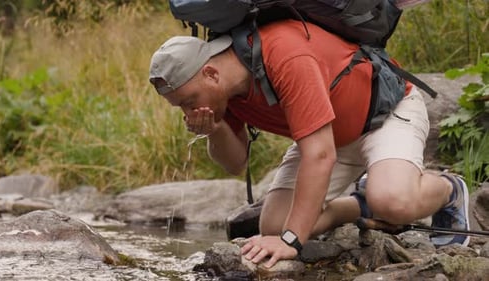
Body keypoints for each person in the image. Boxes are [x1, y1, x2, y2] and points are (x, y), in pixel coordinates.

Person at [148, 19, 470, 268]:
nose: (188, 112)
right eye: (181, 107)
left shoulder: (283, 53)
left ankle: (448, 190)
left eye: (189, 101)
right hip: (330, 132)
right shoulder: (224, 94)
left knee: (393, 202)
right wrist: (214, 128)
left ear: (211, 74)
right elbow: (235, 164)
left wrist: (292, 240)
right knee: (272, 225)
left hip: (385, 114)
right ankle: (362, 204)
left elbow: (319, 155)